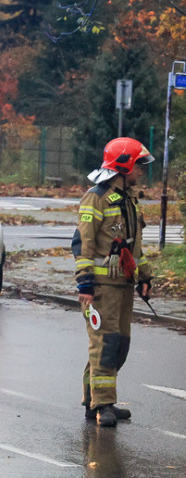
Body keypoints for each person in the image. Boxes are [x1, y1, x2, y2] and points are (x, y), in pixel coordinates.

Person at [73, 137, 154, 427]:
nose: (141, 172)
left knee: (119, 345)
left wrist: (144, 276)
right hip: (100, 289)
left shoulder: (129, 200)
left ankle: (92, 398)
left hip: (124, 287)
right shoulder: (96, 197)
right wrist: (84, 284)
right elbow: (83, 242)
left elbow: (134, 247)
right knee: (105, 344)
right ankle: (103, 404)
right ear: (124, 165)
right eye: (138, 165)